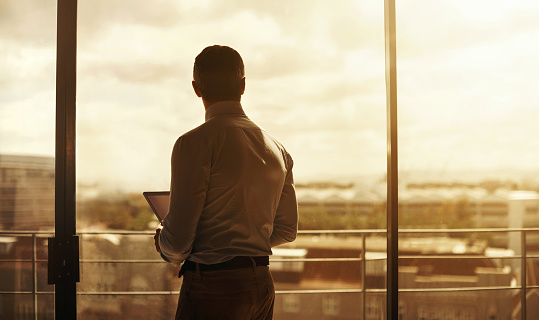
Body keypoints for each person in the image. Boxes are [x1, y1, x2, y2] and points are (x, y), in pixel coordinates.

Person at [154, 45, 298, 320]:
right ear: (243, 85)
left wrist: (162, 239)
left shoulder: (193, 143)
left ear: (196, 88)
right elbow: (287, 230)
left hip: (213, 287)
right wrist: (246, 238)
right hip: (261, 284)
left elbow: (179, 241)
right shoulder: (278, 149)